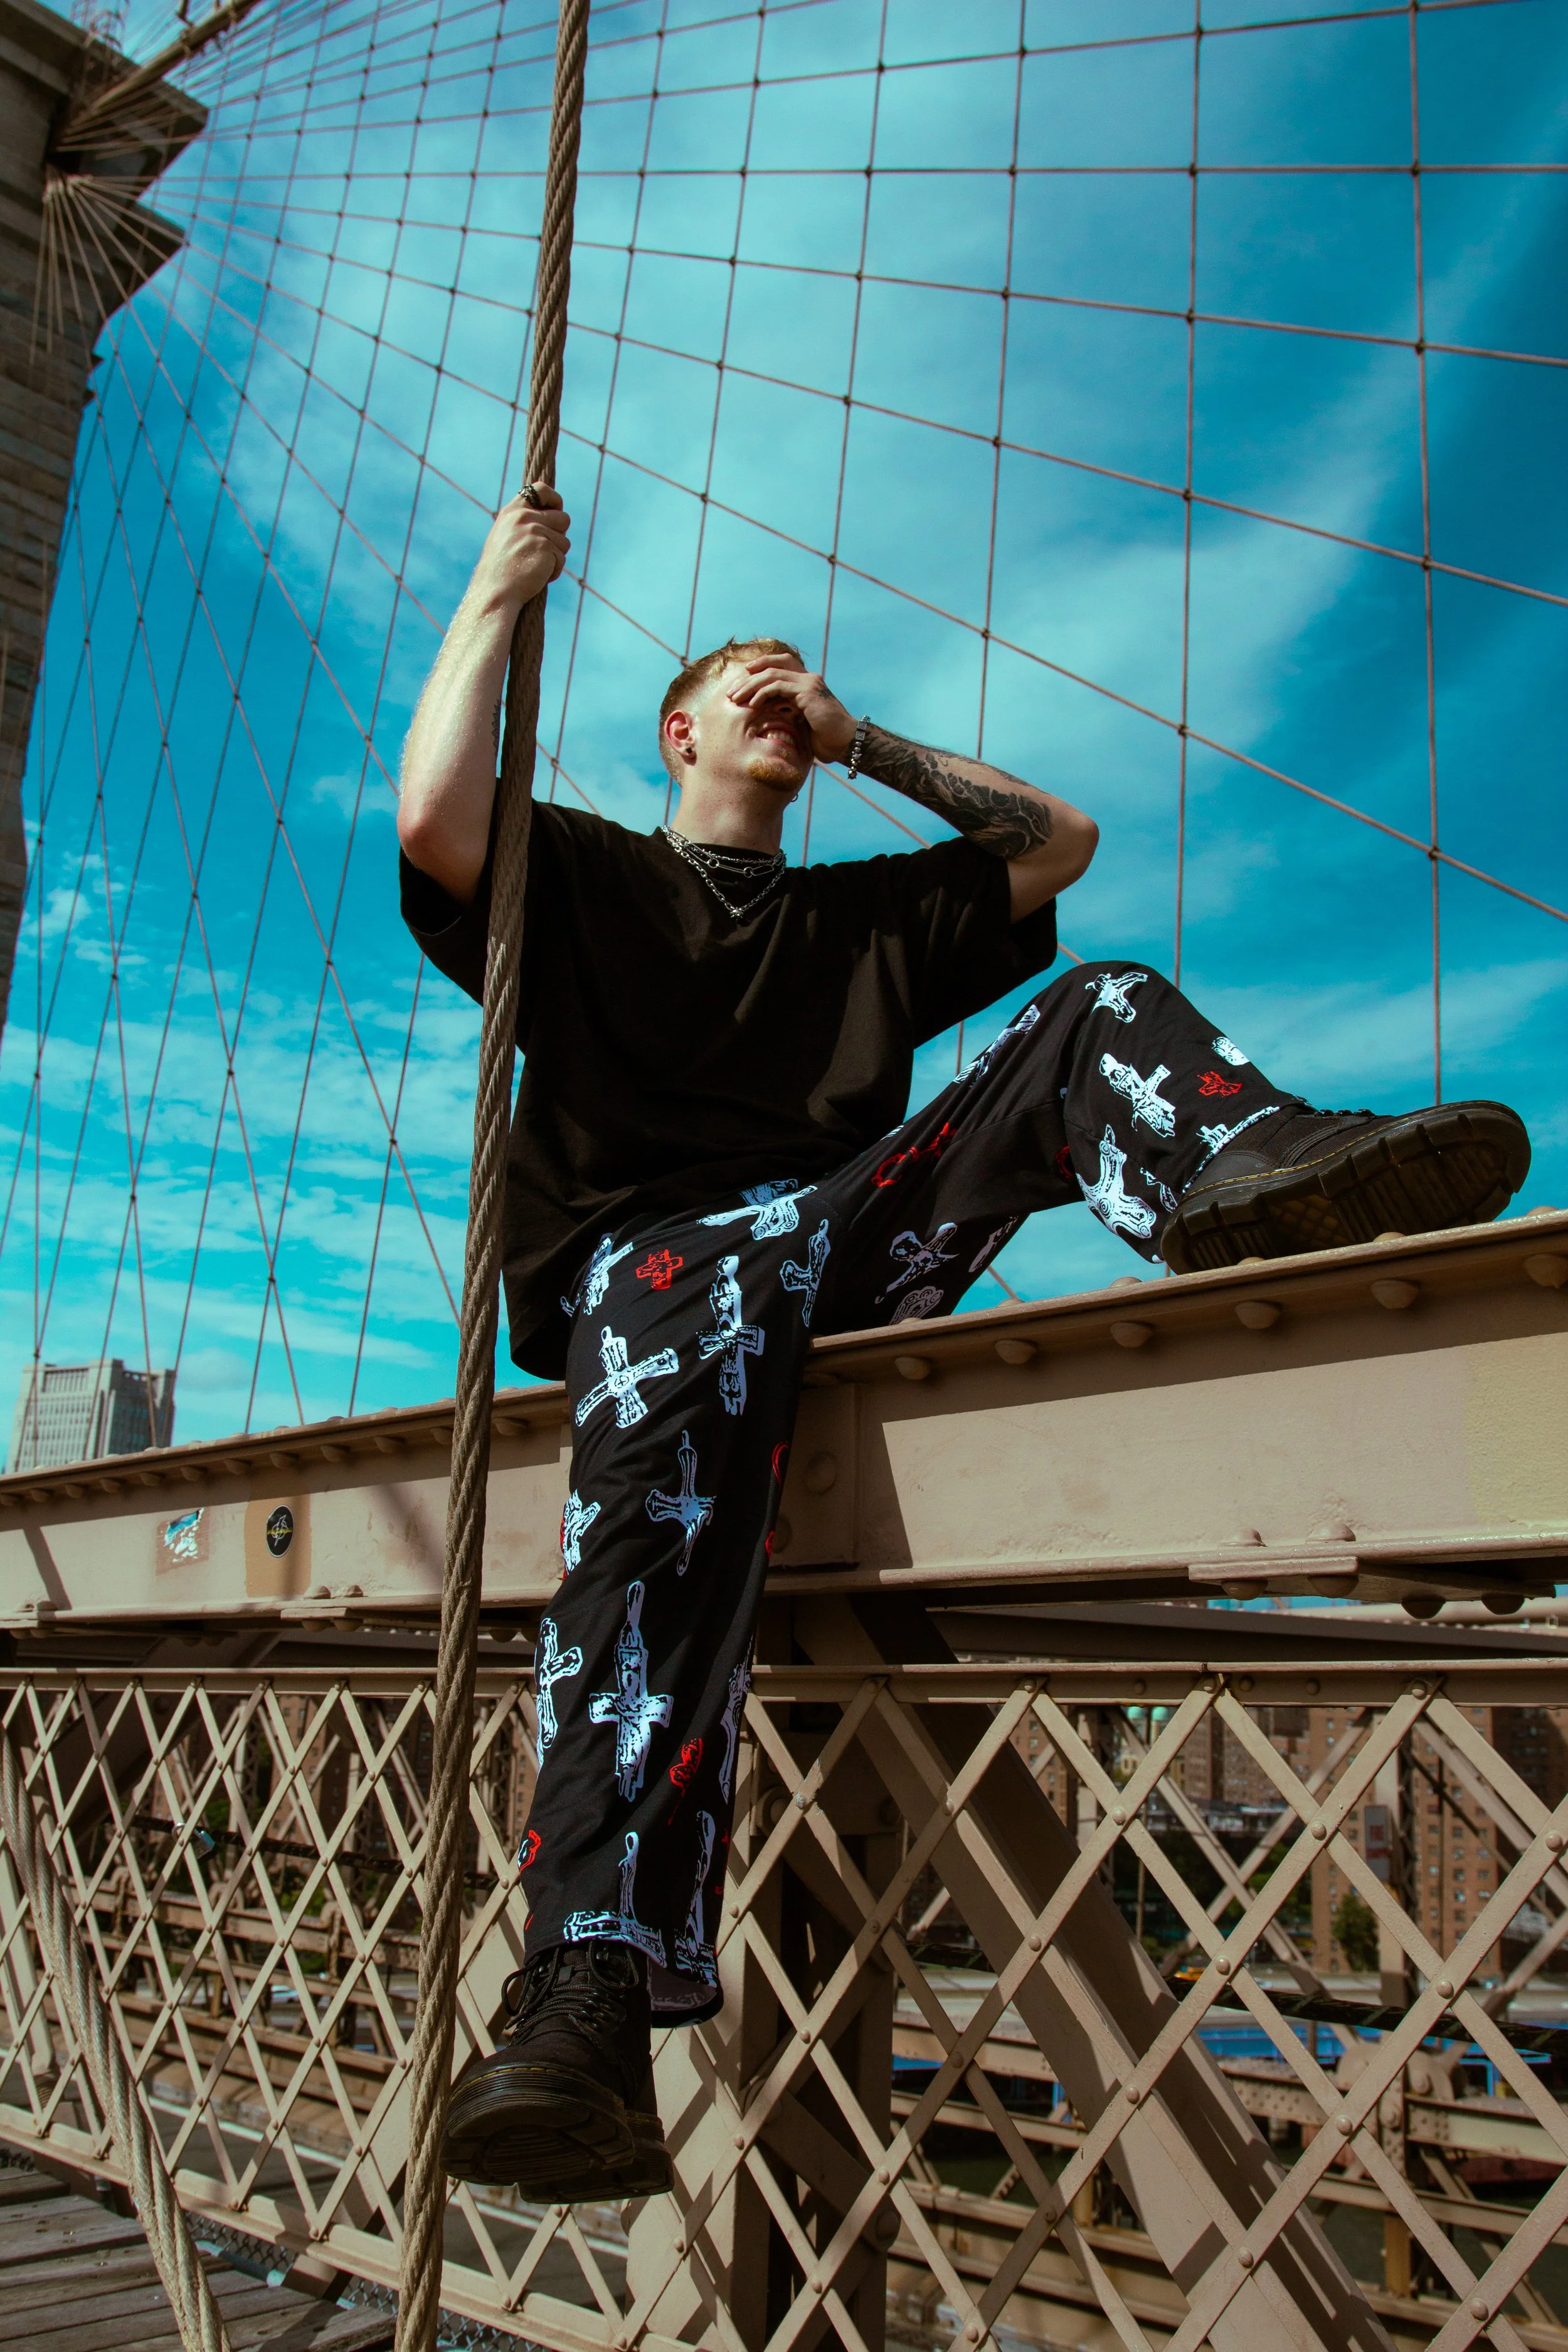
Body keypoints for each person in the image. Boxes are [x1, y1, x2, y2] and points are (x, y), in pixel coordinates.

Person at [396, 484, 1530, 2201]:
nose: (777, 689)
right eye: (747, 681)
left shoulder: (856, 919)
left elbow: (1051, 845)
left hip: (836, 1244)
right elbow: (432, 815)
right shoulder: (584, 875)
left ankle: (1248, 1174)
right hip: (657, 1283)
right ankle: (587, 1982)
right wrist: (493, 591)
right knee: (668, 1392)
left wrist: (859, 738)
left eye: (798, 679)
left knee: (1095, 1003)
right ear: (677, 729)